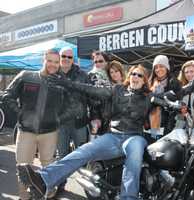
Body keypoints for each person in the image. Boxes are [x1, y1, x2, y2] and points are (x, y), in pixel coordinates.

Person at [17, 64, 155, 200]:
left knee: (135, 155)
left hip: (134, 137)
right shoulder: (117, 89)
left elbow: (169, 101)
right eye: (133, 74)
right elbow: (92, 90)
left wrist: (171, 99)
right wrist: (67, 83)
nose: (135, 77)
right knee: (83, 151)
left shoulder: (148, 97)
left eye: (139, 75)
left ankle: (128, 197)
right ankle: (43, 179)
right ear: (129, 76)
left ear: (144, 80)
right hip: (113, 136)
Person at [1, 49, 63, 200]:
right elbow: (8, 95)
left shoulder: (61, 83)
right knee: (23, 166)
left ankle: (46, 196)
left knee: (48, 168)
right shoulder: (26, 75)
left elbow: (68, 105)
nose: (53, 65)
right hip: (26, 131)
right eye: (50, 60)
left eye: (56, 62)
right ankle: (24, 197)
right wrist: (20, 113)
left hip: (50, 132)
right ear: (44, 59)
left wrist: (59, 118)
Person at [57, 47, 89, 159]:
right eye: (63, 56)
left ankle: (80, 176)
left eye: (69, 57)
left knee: (82, 156)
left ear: (73, 59)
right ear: (59, 57)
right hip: (60, 123)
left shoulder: (83, 75)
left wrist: (94, 117)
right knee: (62, 155)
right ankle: (62, 177)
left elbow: (90, 97)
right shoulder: (52, 74)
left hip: (79, 122)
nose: (66, 59)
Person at [148, 55, 181, 137]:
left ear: (167, 68)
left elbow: (176, 104)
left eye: (161, 66)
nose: (158, 69)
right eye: (156, 67)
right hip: (149, 125)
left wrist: (155, 98)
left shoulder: (174, 83)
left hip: (167, 126)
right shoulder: (150, 83)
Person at [88, 51, 111, 135]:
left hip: (112, 118)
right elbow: (91, 99)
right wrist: (95, 117)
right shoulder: (91, 76)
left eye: (100, 61)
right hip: (98, 118)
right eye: (95, 62)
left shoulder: (112, 74)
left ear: (107, 62)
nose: (97, 64)